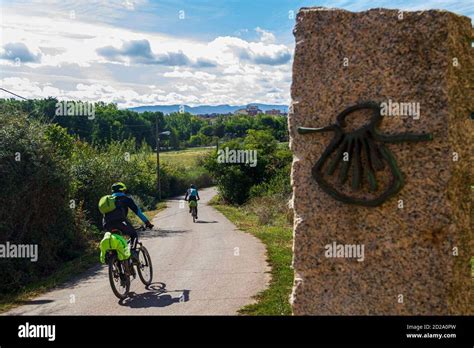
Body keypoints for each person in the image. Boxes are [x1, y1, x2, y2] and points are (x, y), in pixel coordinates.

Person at [102, 182, 153, 254]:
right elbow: (138, 212)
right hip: (121, 223)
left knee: (116, 242)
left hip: (106, 224)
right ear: (122, 190)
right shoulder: (126, 199)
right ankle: (133, 253)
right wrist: (147, 223)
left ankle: (117, 261)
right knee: (133, 235)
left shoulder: (108, 201)